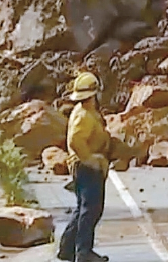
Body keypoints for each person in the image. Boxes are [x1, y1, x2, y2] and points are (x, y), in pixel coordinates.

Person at [57, 72, 112, 262]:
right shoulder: (84, 115)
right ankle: (83, 252)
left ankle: (67, 248)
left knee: (83, 209)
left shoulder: (85, 112)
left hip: (84, 167)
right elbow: (75, 140)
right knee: (91, 210)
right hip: (86, 168)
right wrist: (90, 159)